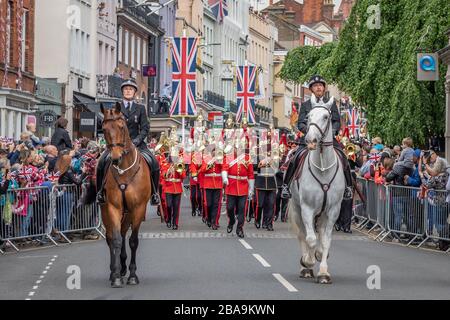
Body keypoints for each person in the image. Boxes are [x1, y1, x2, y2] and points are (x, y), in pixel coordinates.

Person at [280, 75, 353, 200]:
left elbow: (336, 121)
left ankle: (348, 187)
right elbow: (300, 123)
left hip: (328, 140)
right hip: (312, 140)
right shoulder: (306, 105)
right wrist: (311, 131)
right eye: (315, 86)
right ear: (311, 89)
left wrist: (333, 131)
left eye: (320, 85)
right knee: (296, 157)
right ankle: (286, 186)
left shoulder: (330, 104)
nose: (318, 87)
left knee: (343, 156)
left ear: (324, 88)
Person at [96, 78, 160, 206]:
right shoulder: (115, 108)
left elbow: (145, 127)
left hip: (137, 144)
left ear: (135, 92)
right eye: (126, 89)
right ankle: (100, 192)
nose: (128, 91)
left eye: (130, 89)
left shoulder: (140, 108)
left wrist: (136, 141)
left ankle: (154, 193)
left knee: (153, 162)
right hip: (117, 145)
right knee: (101, 162)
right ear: (122, 92)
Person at [221, 135, 255, 238]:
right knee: (230, 208)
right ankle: (231, 221)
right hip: (231, 186)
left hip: (243, 187)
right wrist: (225, 178)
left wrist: (251, 188)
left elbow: (250, 174)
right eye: (237, 147)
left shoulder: (247, 158)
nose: (238, 149)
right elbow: (224, 168)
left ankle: (240, 228)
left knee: (241, 209)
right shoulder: (229, 157)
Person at [254, 130, 277, 231]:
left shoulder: (275, 154)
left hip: (271, 182)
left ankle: (269, 223)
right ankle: (258, 219)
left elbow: (277, 168)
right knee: (260, 204)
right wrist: (261, 163)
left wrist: (273, 162)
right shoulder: (257, 153)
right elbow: (254, 166)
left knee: (271, 204)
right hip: (261, 182)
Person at [162, 151, 186, 230]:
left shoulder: (180, 164)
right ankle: (168, 218)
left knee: (176, 207)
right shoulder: (165, 164)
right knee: (168, 205)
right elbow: (163, 175)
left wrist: (178, 169)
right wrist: (169, 170)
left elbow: (183, 176)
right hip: (168, 188)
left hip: (177, 188)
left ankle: (175, 223)